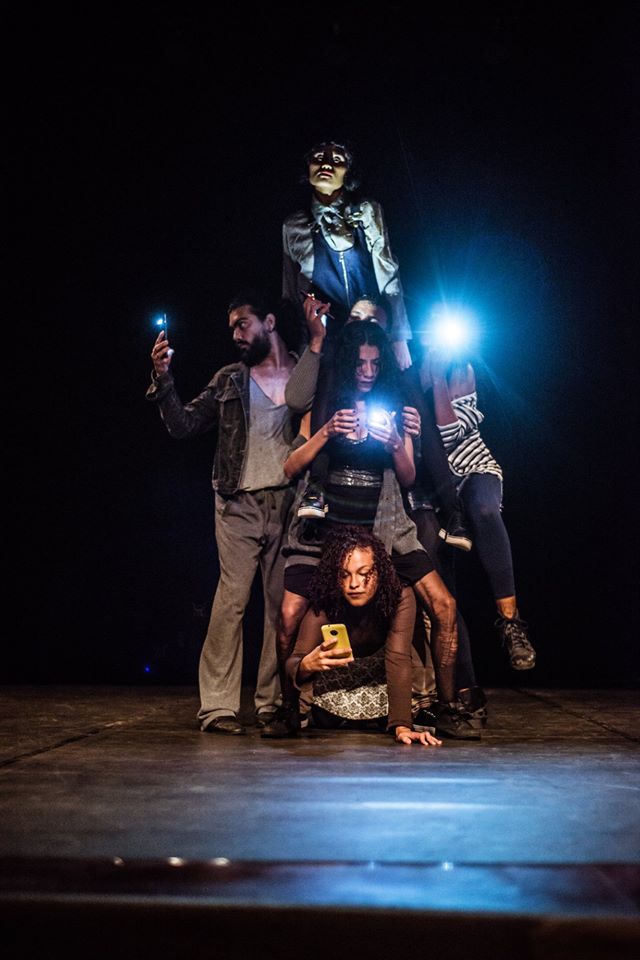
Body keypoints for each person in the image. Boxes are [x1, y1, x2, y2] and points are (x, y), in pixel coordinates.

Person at [262, 321, 478, 741]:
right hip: (324, 532)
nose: (367, 371)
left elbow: (409, 476)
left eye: (376, 363)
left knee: (445, 606)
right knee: (288, 616)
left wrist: (396, 442)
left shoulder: (394, 404)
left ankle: (449, 708)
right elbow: (290, 468)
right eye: (360, 363)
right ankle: (289, 709)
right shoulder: (326, 404)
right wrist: (327, 431)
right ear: (348, 362)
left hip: (385, 530)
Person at [146, 292, 307, 734]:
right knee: (231, 602)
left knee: (280, 607)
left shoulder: (303, 375)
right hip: (238, 503)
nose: (236, 334)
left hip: (289, 504)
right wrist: (163, 378)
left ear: (269, 322)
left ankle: (273, 703)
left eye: (242, 324)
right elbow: (182, 425)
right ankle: (217, 707)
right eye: (232, 327)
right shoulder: (230, 379)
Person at [423, 347, 536, 671]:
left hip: (474, 469)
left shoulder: (460, 368)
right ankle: (462, 684)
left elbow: (448, 434)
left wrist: (437, 378)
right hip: (433, 487)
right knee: (439, 578)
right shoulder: (404, 370)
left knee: (485, 511)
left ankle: (511, 623)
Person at [285, 527, 443, 746]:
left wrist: (402, 726)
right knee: (325, 720)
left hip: (384, 695)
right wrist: (305, 666)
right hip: (334, 700)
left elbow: (398, 657)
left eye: (363, 573)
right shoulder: (327, 602)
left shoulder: (398, 596)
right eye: (345, 575)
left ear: (378, 572)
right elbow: (293, 661)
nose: (354, 584)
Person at [282, 139, 412, 369]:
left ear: (348, 170)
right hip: (327, 341)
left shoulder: (367, 211)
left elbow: (388, 274)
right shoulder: (294, 226)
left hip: (372, 336)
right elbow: (292, 292)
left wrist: (399, 335)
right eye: (319, 158)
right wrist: (302, 349)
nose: (326, 165)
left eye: (337, 159)